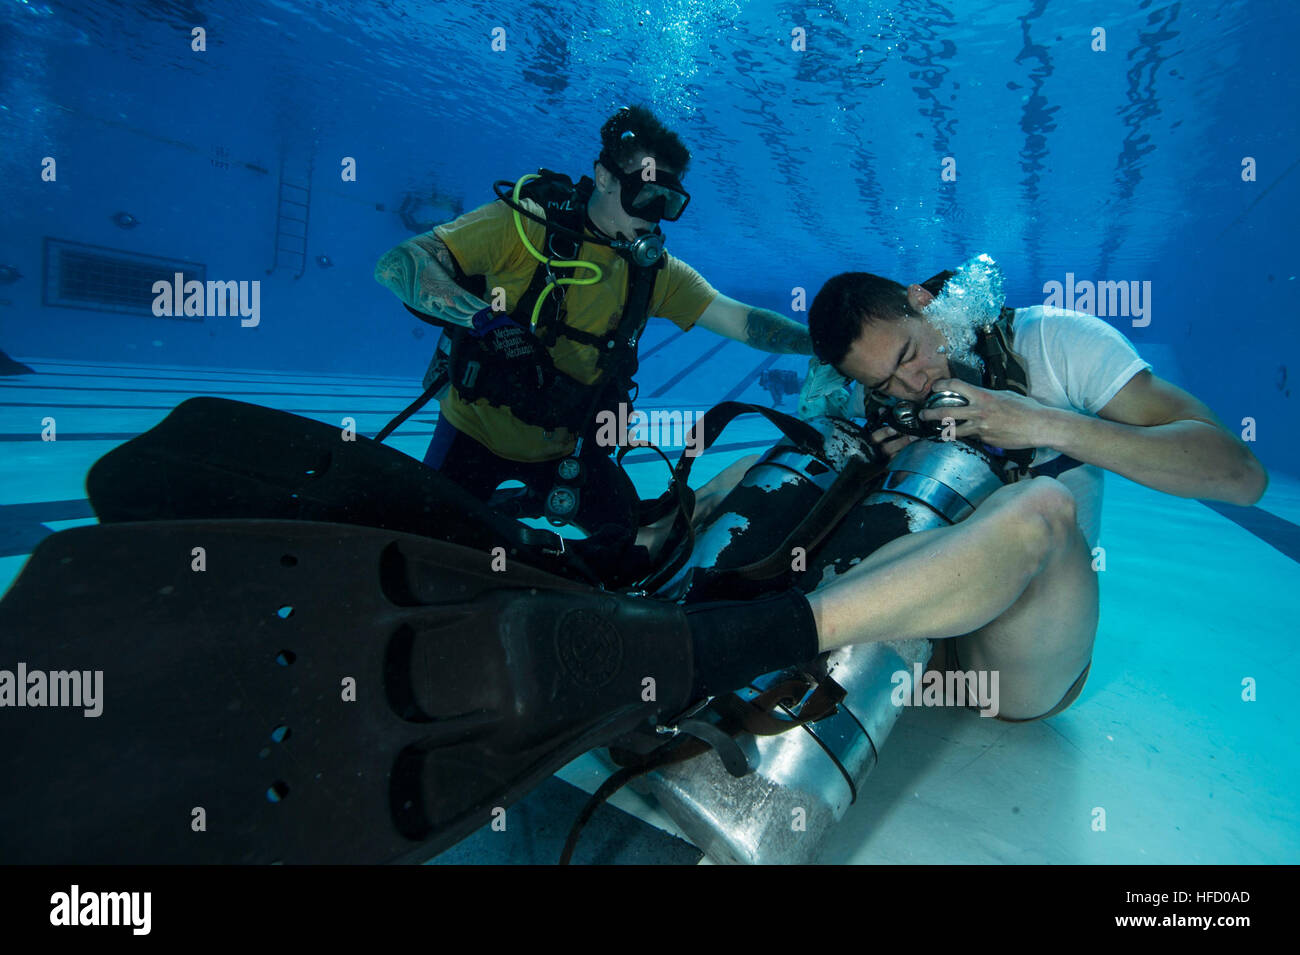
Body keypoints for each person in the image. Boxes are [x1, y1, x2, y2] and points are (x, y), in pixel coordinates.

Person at [786, 265, 1267, 720]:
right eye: (886, 382)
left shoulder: (1056, 344)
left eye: (909, 355)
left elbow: (1241, 477)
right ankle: (754, 632)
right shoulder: (879, 404)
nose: (913, 385)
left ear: (923, 300)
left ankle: (784, 630)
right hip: (912, 642)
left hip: (1010, 660)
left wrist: (1039, 422)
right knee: (780, 468)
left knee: (1040, 504)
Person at [373, 106, 811, 578]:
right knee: (423, 552)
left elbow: (742, 321)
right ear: (604, 177)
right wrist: (484, 321)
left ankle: (524, 509)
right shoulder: (527, 227)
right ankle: (502, 515)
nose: (655, 217)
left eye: (669, 202)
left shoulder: (654, 274)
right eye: (645, 195)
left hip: (567, 449)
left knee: (637, 552)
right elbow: (400, 262)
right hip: (470, 432)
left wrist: (827, 344)